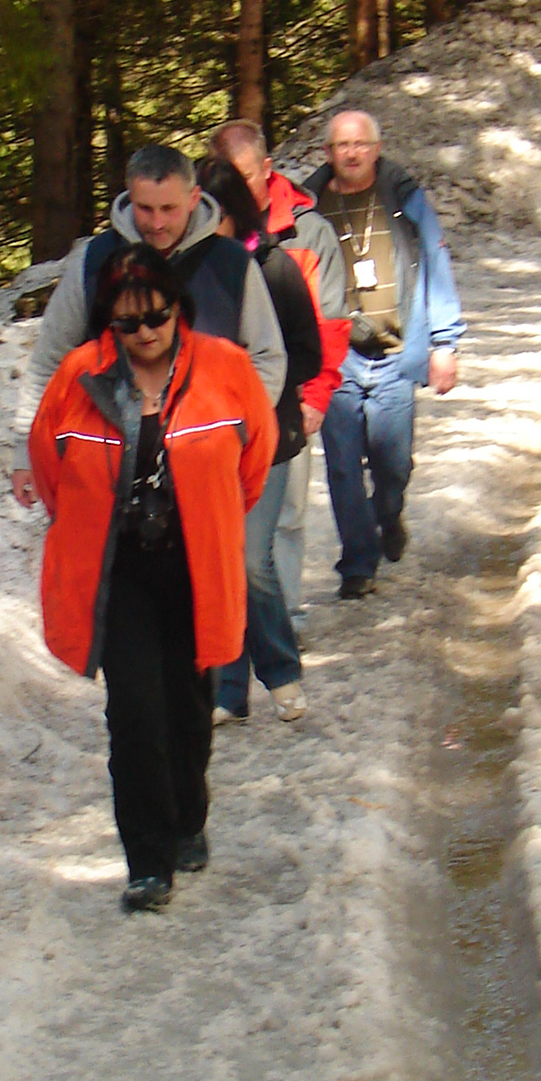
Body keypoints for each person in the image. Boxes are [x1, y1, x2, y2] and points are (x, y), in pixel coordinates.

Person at [28, 244, 277, 912]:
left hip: (195, 565)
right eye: (128, 321)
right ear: (109, 320)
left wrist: (214, 516)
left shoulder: (225, 368)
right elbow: (50, 470)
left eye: (157, 316)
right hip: (119, 574)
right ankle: (148, 861)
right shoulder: (80, 378)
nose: (144, 332)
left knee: (188, 707)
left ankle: (188, 818)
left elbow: (254, 461)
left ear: (177, 308)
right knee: (134, 713)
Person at [12, 143, 286, 506]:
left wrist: (234, 433)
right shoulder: (94, 261)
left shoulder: (232, 265)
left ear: (194, 198)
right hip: (105, 466)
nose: (157, 223)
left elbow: (267, 357)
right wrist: (25, 450)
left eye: (169, 209)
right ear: (129, 197)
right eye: (146, 208)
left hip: (207, 462)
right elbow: (50, 358)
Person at [306, 109, 465, 599]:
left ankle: (388, 514)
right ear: (328, 152)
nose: (352, 153)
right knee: (342, 466)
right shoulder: (309, 207)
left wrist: (444, 342)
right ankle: (358, 564)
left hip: (396, 352)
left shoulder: (404, 197)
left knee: (393, 465)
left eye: (361, 144)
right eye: (342, 145)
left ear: (376, 149)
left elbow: (435, 260)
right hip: (338, 357)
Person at [209, 120, 351, 624]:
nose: (236, 187)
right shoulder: (200, 235)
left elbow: (330, 322)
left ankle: (285, 619)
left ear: (267, 169)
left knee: (287, 515)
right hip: (218, 407)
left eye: (245, 175)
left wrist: (317, 395)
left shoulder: (306, 231)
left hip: (288, 399)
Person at [196, 159, 321, 723]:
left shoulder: (273, 268)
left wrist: (249, 382)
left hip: (268, 438)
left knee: (249, 559)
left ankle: (282, 673)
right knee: (217, 563)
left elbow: (307, 354)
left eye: (213, 214)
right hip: (203, 442)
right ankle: (227, 689)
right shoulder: (188, 272)